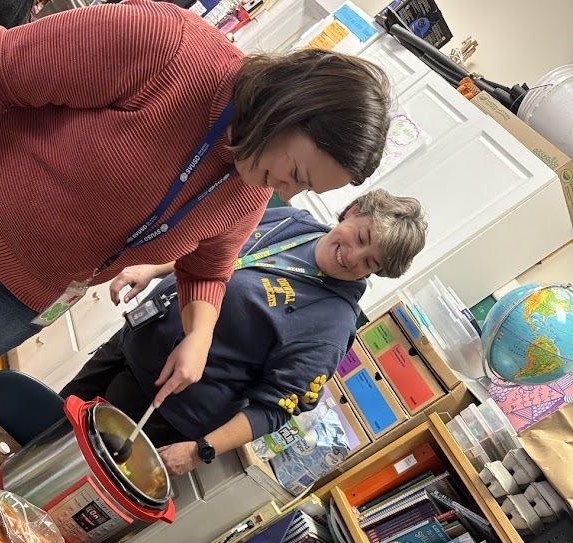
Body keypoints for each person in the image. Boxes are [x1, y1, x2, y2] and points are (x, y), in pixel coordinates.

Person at [0, 1, 392, 402]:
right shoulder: (169, 46)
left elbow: (209, 266)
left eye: (304, 189)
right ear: (285, 107)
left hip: (21, 297)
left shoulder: (254, 183)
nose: (286, 193)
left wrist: (199, 338)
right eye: (296, 172)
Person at [62, 189, 427, 476]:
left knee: (69, 473)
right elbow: (217, 257)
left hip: (162, 407)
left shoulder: (332, 325)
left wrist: (199, 449)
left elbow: (275, 408)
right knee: (51, 422)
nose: (353, 256)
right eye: (361, 236)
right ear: (353, 210)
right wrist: (155, 269)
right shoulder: (293, 222)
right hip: (133, 341)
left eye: (369, 262)